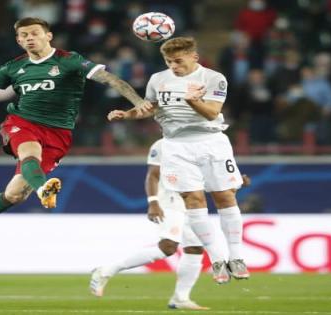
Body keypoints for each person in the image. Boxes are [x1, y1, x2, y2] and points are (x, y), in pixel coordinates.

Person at [0, 17, 152, 248]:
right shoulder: (13, 68)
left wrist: (137, 101)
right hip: (22, 122)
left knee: (14, 194)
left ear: (48, 36)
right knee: (29, 151)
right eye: (24, 35)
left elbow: (111, 80)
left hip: (59, 132)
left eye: (34, 33)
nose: (29, 38)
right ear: (19, 41)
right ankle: (44, 190)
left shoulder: (70, 60)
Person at [106, 37, 250, 284]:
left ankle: (236, 256)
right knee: (192, 199)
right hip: (175, 145)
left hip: (211, 141)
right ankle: (217, 259)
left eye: (178, 61)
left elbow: (212, 113)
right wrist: (128, 114)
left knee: (225, 196)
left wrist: (193, 100)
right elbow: (151, 107)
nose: (174, 66)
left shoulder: (214, 78)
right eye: (169, 61)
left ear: (194, 57)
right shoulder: (158, 79)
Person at [90, 138, 209, 310]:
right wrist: (153, 202)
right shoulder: (163, 144)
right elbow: (153, 175)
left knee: (195, 248)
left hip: (192, 201)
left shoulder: (202, 145)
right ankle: (106, 270)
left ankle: (180, 298)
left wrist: (236, 181)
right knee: (168, 246)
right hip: (170, 199)